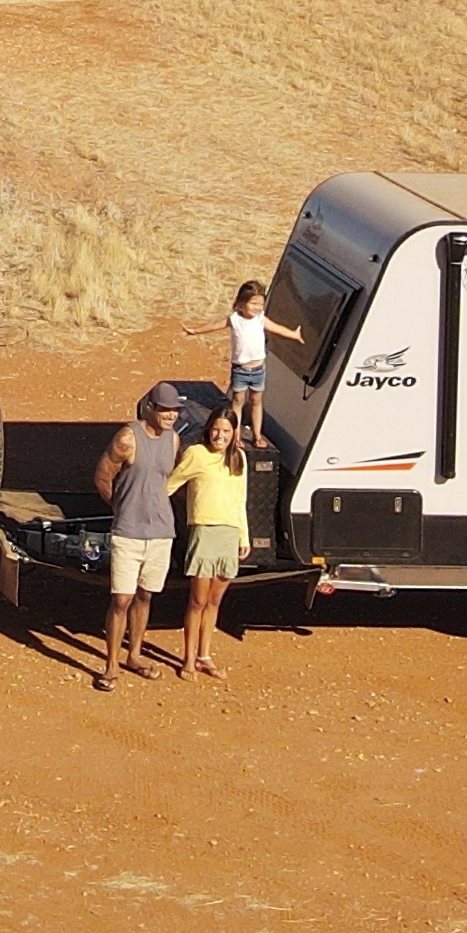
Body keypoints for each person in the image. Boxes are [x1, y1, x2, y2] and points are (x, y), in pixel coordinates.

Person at [92, 382, 183, 692]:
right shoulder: (128, 438)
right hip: (129, 533)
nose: (171, 415)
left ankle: (134, 655)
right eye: (165, 409)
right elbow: (103, 475)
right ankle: (111, 664)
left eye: (175, 410)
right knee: (121, 599)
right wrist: (120, 507)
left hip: (161, 531)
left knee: (145, 595)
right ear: (150, 408)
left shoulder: (174, 440)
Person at [167, 405, 248, 677]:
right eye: (216, 429)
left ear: (234, 433)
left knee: (214, 601)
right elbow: (170, 484)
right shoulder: (196, 454)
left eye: (226, 431)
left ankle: (204, 655)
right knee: (198, 600)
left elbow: (240, 500)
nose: (220, 436)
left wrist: (244, 536)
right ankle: (189, 659)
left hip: (229, 535)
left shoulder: (239, 459)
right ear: (208, 430)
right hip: (204, 533)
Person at [184, 280, 301, 453]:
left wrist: (293, 334)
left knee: (256, 401)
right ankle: (236, 435)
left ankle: (257, 435)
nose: (257, 308)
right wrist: (195, 331)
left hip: (259, 369)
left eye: (260, 304)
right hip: (241, 370)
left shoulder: (260, 319)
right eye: (253, 303)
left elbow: (276, 328)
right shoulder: (235, 320)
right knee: (238, 401)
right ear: (241, 303)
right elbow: (215, 325)